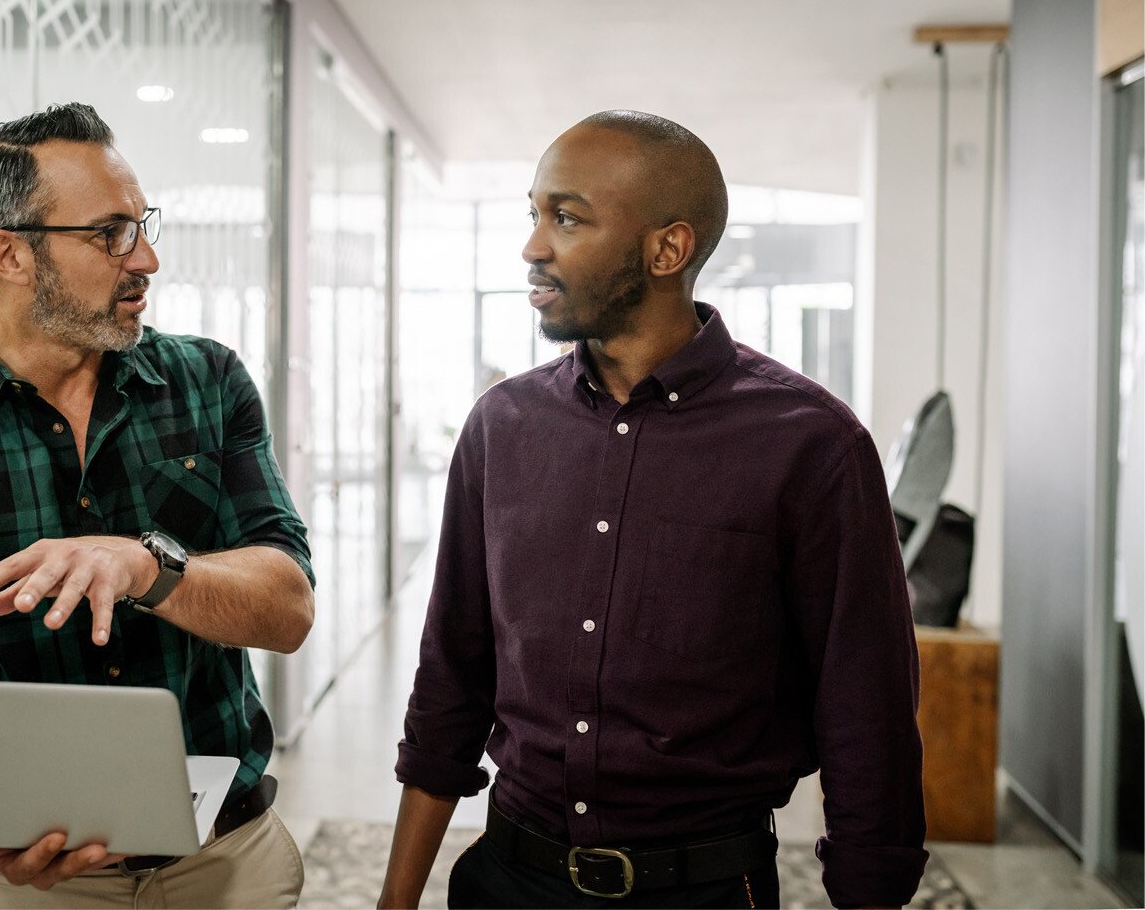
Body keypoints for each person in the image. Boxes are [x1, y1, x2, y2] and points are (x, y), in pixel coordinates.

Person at [379, 111, 926, 910]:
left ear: (666, 250)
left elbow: (865, 708)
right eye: (532, 214)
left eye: (565, 217)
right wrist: (395, 902)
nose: (533, 245)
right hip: (506, 881)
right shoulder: (502, 426)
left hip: (703, 889)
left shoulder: (810, 444)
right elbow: (449, 681)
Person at [0, 103, 313, 909]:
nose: (146, 257)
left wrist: (143, 565)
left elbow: (287, 609)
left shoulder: (207, 383)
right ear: (9, 253)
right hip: (23, 884)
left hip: (226, 862)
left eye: (142, 225)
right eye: (110, 233)